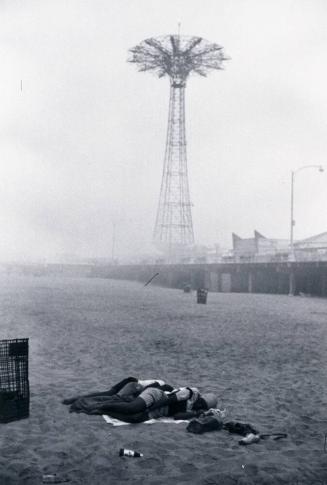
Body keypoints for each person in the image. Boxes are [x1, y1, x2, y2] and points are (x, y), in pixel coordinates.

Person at [66, 383, 218, 423]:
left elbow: (178, 416)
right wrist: (148, 409)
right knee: (133, 408)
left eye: (204, 407)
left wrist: (197, 413)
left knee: (134, 419)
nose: (201, 406)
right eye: (202, 403)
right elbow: (168, 399)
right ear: (201, 398)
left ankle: (102, 410)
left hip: (158, 410)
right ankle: (96, 405)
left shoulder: (195, 409)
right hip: (156, 396)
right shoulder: (191, 392)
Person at [62, 376, 174, 415]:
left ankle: (77, 399)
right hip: (132, 384)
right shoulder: (160, 384)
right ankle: (79, 401)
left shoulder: (160, 384)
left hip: (131, 382)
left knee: (108, 393)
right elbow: (145, 389)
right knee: (112, 396)